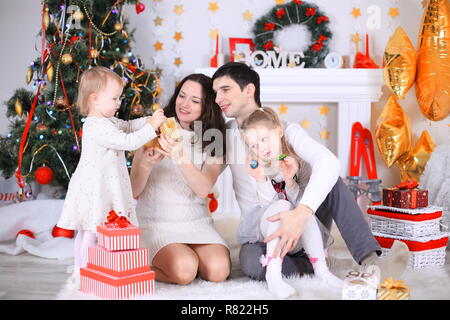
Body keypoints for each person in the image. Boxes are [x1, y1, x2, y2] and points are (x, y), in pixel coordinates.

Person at [211, 62, 409, 284]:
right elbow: (205, 179)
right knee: (252, 264)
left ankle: (372, 261)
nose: (218, 99)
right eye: (215, 92)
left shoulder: (287, 130)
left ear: (249, 89)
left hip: (306, 225)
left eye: (225, 89)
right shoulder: (224, 137)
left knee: (331, 179)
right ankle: (319, 263)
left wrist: (301, 213)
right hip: (263, 233)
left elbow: (329, 162)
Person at [57, 66, 166, 288]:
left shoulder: (109, 121)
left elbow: (128, 126)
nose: (118, 103)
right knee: (90, 230)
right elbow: (128, 142)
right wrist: (151, 128)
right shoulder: (96, 126)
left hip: (105, 185)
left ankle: (89, 268)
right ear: (95, 99)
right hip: (94, 187)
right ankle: (83, 271)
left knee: (94, 229)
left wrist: (149, 121)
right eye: (114, 98)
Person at [130, 73, 231, 285]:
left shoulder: (214, 138)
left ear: (208, 107)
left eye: (195, 101)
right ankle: (137, 263)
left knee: (218, 271)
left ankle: (186, 256)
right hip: (158, 224)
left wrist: (179, 155)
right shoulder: (155, 128)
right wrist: (146, 165)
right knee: (184, 270)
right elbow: (133, 191)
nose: (184, 105)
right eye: (181, 96)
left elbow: (204, 189)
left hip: (197, 223)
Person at [240, 107, 342, 298]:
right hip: (268, 228)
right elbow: (265, 207)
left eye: (263, 139)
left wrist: (290, 182)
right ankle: (273, 275)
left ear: (278, 132)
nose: (260, 148)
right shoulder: (258, 168)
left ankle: (322, 272)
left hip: (295, 233)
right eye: (253, 145)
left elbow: (300, 207)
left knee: (303, 214)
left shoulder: (294, 161)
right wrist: (260, 179)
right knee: (281, 207)